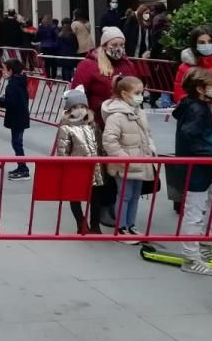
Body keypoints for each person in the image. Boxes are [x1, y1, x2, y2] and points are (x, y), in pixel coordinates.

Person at [172, 67, 212, 276]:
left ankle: (204, 246)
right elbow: (190, 135)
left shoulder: (198, 105)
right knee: (195, 212)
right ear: (200, 88)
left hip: (206, 166)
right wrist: (209, 155)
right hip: (198, 167)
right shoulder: (197, 109)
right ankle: (191, 257)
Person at [101, 75, 156, 242]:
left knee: (135, 195)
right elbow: (109, 141)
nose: (141, 95)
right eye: (137, 92)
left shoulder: (139, 112)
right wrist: (124, 158)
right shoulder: (116, 116)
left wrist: (151, 147)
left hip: (141, 161)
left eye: (142, 92)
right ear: (125, 94)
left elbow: (146, 133)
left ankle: (131, 225)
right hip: (124, 163)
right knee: (124, 195)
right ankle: (121, 228)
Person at [54, 86, 108, 234]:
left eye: (82, 106)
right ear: (69, 110)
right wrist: (65, 167)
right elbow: (62, 151)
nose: (79, 109)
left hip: (95, 168)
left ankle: (95, 225)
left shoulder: (93, 125)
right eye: (75, 107)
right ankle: (80, 222)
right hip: (76, 169)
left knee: (96, 198)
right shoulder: (66, 128)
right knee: (75, 196)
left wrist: (104, 161)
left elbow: (100, 145)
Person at [70, 27, 138, 126]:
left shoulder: (128, 65)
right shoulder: (88, 65)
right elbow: (77, 93)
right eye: (114, 45)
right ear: (105, 46)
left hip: (126, 121)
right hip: (98, 121)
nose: (119, 48)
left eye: (122, 45)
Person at [0, 57, 30, 180]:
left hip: (17, 118)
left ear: (11, 71)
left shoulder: (12, 86)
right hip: (22, 117)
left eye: (4, 69)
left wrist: (2, 100)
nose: (3, 71)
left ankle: (23, 168)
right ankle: (21, 166)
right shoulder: (21, 82)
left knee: (17, 143)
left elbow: (11, 103)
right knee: (17, 142)